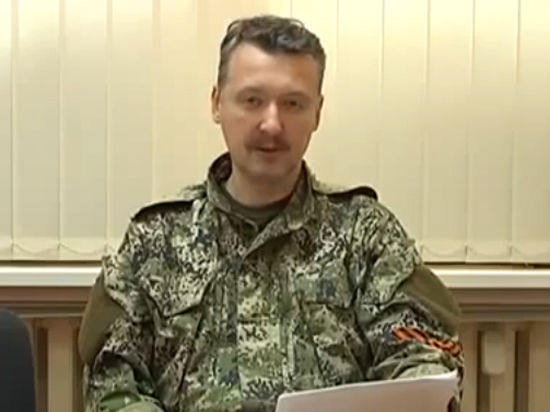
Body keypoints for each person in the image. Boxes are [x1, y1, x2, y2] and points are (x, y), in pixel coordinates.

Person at [79, 15, 464, 412]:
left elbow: (422, 358)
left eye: (293, 103)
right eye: (252, 100)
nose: (272, 124)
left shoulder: (366, 234)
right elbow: (113, 379)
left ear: (317, 112)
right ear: (217, 103)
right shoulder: (155, 240)